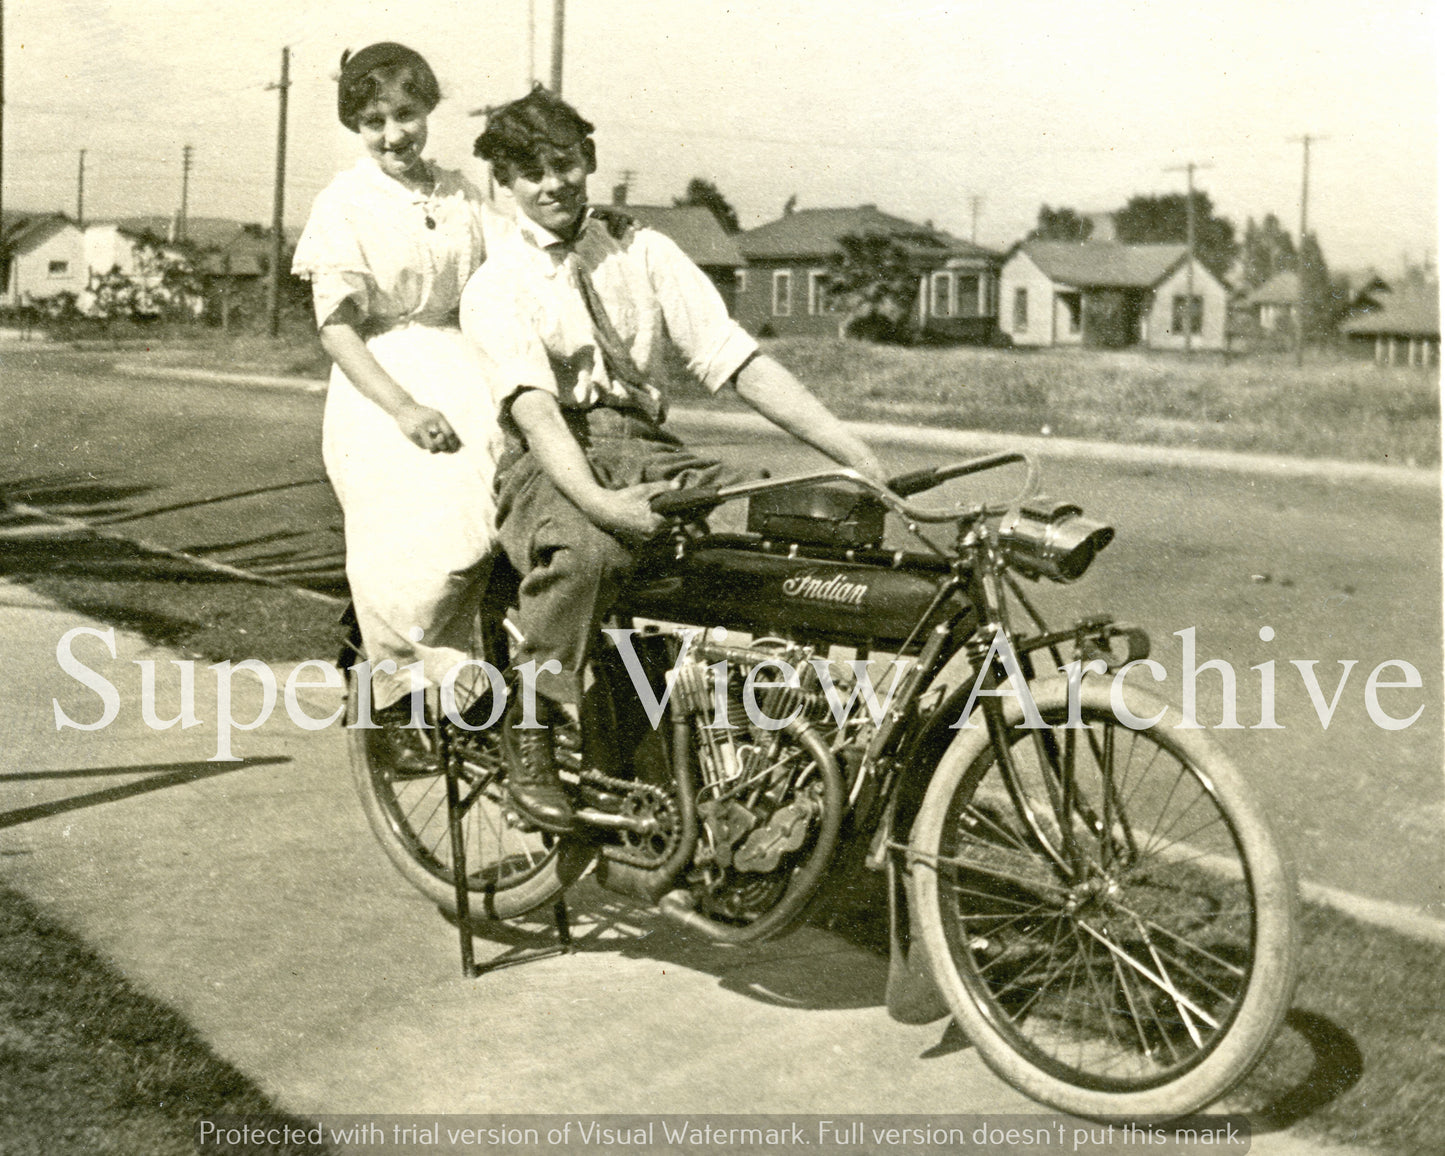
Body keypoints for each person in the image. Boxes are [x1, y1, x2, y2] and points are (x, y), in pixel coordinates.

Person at [460, 86, 884, 832]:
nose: (552, 183)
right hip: (551, 457)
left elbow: (736, 361)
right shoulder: (498, 283)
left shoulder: (643, 250)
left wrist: (854, 457)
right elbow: (534, 409)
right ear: (506, 184)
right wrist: (597, 504)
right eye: (530, 172)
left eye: (564, 163)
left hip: (648, 448)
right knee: (591, 554)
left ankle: (764, 735)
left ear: (587, 159)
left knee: (786, 515)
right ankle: (528, 724)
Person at [292, 43, 510, 754]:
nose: (394, 136)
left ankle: (477, 690)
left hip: (468, 366)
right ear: (357, 126)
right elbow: (336, 327)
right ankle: (397, 682)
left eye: (406, 115)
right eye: (375, 121)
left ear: (429, 111)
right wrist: (403, 407)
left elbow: (513, 269)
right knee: (433, 539)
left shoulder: (461, 194)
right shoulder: (346, 202)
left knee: (502, 523)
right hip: (384, 382)